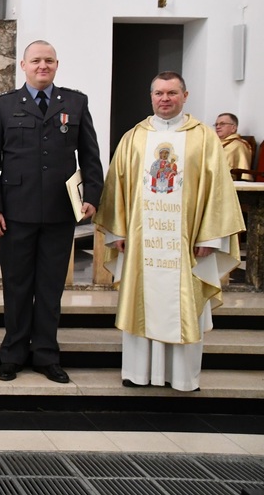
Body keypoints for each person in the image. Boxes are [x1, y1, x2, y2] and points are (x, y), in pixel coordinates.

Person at [95, 72, 244, 392]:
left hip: (188, 244)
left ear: (185, 96)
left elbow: (218, 190)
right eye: (159, 93)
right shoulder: (134, 137)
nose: (165, 98)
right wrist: (117, 231)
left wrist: (210, 236)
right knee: (140, 302)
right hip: (140, 241)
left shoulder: (204, 138)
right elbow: (116, 186)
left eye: (172, 93)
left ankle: (182, 377)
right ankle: (137, 374)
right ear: (151, 97)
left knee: (185, 303)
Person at [0, 40, 103, 384]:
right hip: (16, 212)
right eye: (36, 61)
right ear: (23, 65)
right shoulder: (4, 106)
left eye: (48, 61)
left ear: (57, 65)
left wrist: (92, 194)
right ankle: (13, 354)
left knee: (50, 289)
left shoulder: (76, 103)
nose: (42, 66)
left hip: (60, 212)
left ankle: (46, 355)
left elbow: (90, 155)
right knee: (17, 287)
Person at [214, 113, 254, 181]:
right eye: (216, 124)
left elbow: (244, 173)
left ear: (233, 128)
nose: (218, 127)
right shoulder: (214, 143)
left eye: (222, 124)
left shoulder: (239, 145)